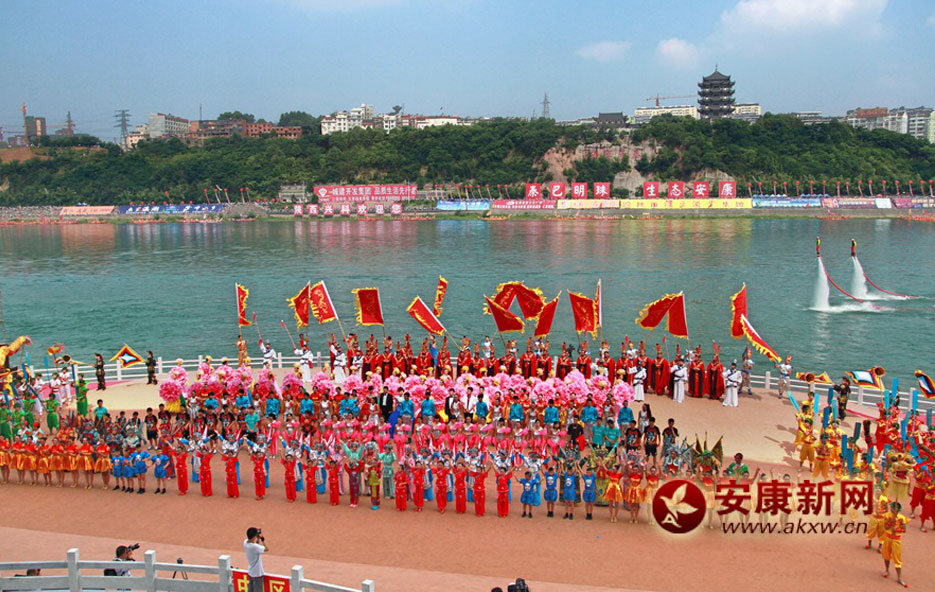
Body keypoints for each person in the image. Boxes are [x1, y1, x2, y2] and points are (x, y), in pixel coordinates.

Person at [244, 527, 268, 592]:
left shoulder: (245, 543)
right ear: (254, 537)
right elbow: (266, 549)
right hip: (257, 573)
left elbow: (254, 545)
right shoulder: (254, 547)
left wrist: (257, 540)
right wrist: (262, 540)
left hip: (251, 572)